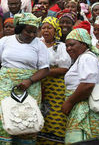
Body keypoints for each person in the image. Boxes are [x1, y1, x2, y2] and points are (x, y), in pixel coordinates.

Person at [0, 12, 49, 144]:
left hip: (29, 88)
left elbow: (45, 69)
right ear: (19, 29)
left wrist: (29, 81)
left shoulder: (39, 45)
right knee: (3, 116)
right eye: (28, 31)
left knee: (26, 120)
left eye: (34, 32)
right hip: (6, 87)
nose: (31, 35)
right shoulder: (5, 41)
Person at [62, 28, 99, 144]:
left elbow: (87, 84)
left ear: (83, 43)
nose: (68, 48)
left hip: (87, 109)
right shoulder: (84, 57)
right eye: (66, 46)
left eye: (72, 45)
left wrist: (69, 102)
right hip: (85, 107)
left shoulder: (87, 58)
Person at [38, 16, 71, 144]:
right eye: (43, 28)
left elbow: (64, 68)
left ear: (56, 30)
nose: (46, 30)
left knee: (55, 115)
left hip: (55, 87)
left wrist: (43, 72)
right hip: (38, 84)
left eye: (49, 28)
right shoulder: (37, 43)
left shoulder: (61, 46)